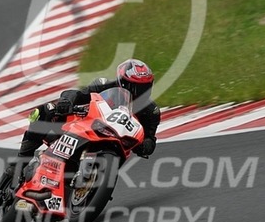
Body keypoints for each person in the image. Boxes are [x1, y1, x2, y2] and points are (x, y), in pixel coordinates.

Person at [14, 59, 160, 166]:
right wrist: (67, 101)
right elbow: (77, 94)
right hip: (88, 125)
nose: (141, 92)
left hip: (116, 144)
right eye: (136, 87)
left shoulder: (151, 112)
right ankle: (20, 162)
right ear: (122, 82)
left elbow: (150, 139)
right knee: (45, 110)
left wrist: (144, 145)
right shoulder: (103, 85)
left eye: (146, 87)